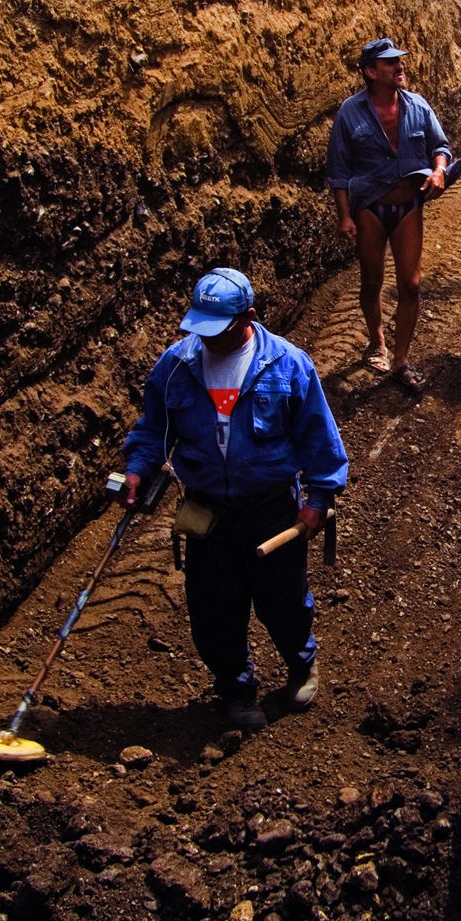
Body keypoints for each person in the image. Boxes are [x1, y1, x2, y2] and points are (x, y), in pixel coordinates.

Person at [119, 267, 348, 733]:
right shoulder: (176, 366)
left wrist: (320, 496)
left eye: (218, 330)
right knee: (214, 610)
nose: (207, 340)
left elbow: (318, 436)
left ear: (248, 316)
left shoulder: (286, 364)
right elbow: (152, 430)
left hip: (271, 508)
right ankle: (237, 688)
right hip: (207, 512)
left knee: (283, 601)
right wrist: (137, 469)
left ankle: (301, 664)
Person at [326, 37, 456, 391]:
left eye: (399, 61)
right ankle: (376, 341)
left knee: (411, 285)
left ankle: (400, 359)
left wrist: (439, 169)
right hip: (369, 206)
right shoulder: (350, 112)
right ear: (371, 72)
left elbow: (440, 147)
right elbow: (338, 170)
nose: (399, 66)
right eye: (389, 63)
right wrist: (345, 216)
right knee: (371, 281)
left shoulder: (417, 105)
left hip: (408, 205)